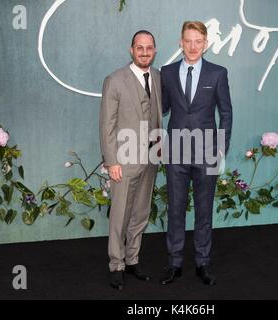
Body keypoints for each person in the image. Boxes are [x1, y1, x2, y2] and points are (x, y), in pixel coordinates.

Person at [160, 21, 233, 286]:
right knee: (176, 210)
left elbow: (226, 113)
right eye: (188, 41)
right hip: (176, 152)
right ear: (181, 42)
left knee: (204, 211)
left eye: (198, 41)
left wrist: (220, 149)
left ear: (205, 44)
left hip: (206, 153)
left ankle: (203, 263)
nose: (192, 46)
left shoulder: (217, 73)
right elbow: (164, 107)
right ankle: (174, 264)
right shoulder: (166, 73)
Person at [99, 30, 162, 290]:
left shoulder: (158, 77)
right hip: (123, 162)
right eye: (139, 47)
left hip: (150, 159)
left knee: (140, 214)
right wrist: (112, 161)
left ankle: (133, 260)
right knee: (120, 215)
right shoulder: (114, 80)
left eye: (149, 48)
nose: (144, 52)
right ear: (131, 50)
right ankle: (116, 264)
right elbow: (106, 125)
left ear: (154, 50)